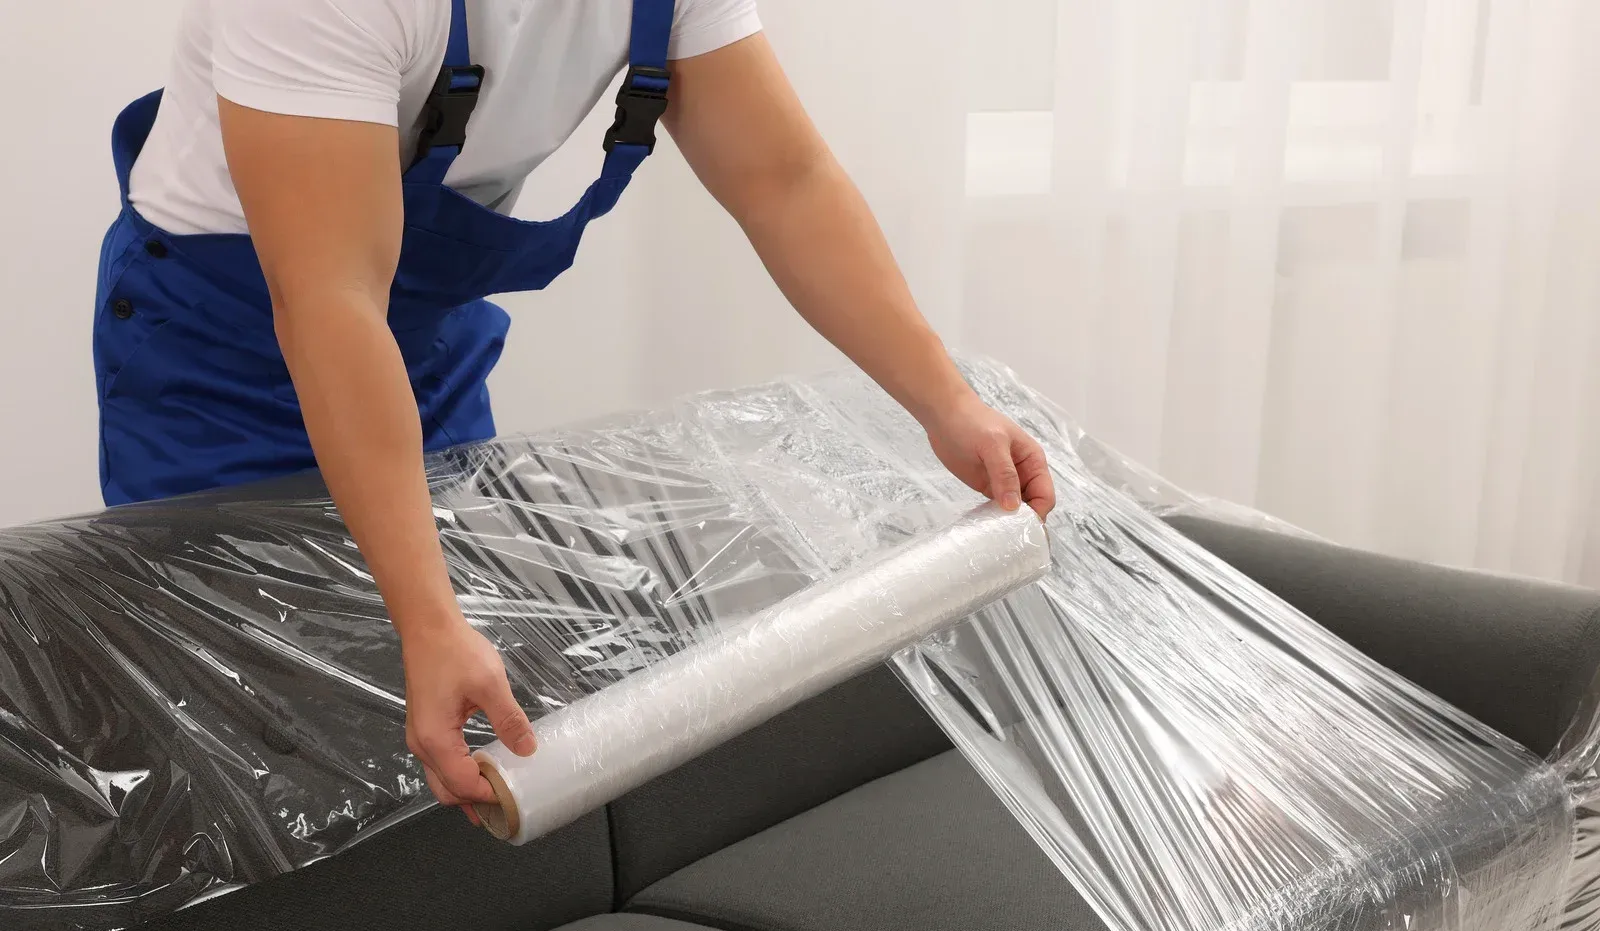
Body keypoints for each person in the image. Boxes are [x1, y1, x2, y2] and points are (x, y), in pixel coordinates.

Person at [95, 0, 1057, 819]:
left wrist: (946, 405)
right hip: (215, 348)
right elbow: (328, 299)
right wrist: (428, 619)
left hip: (416, 337)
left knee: (439, 715)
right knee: (240, 717)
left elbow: (784, 183)